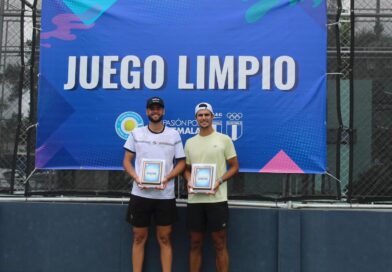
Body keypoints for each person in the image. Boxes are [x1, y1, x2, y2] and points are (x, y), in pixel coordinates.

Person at [123, 96, 185, 272]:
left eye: (158, 108)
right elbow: (127, 161)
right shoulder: (136, 133)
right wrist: (136, 177)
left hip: (165, 195)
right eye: (152, 108)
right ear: (147, 111)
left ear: (163, 111)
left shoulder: (173, 135)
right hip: (140, 194)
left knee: (164, 238)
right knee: (138, 237)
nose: (155, 111)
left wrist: (167, 177)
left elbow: (181, 162)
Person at [184, 102, 239, 272]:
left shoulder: (224, 140)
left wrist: (219, 181)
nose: (204, 118)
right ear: (196, 118)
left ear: (212, 117)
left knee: (219, 243)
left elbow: (235, 166)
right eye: (200, 115)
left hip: (217, 199)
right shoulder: (189, 143)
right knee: (195, 243)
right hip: (195, 200)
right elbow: (186, 169)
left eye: (207, 115)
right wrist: (189, 180)